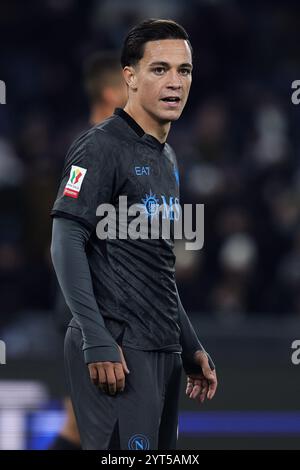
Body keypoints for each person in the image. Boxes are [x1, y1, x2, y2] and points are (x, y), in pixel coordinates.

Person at [50, 18, 218, 450]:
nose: (175, 82)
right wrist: (96, 338)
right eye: (159, 69)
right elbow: (65, 241)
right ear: (130, 76)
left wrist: (190, 344)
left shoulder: (167, 159)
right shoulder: (100, 146)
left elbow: (157, 266)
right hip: (119, 351)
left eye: (184, 70)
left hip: (162, 349)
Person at [49, 52, 127, 451]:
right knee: (91, 426)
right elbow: (67, 236)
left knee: (86, 424)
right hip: (92, 307)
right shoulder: (91, 149)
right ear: (113, 91)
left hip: (112, 305)